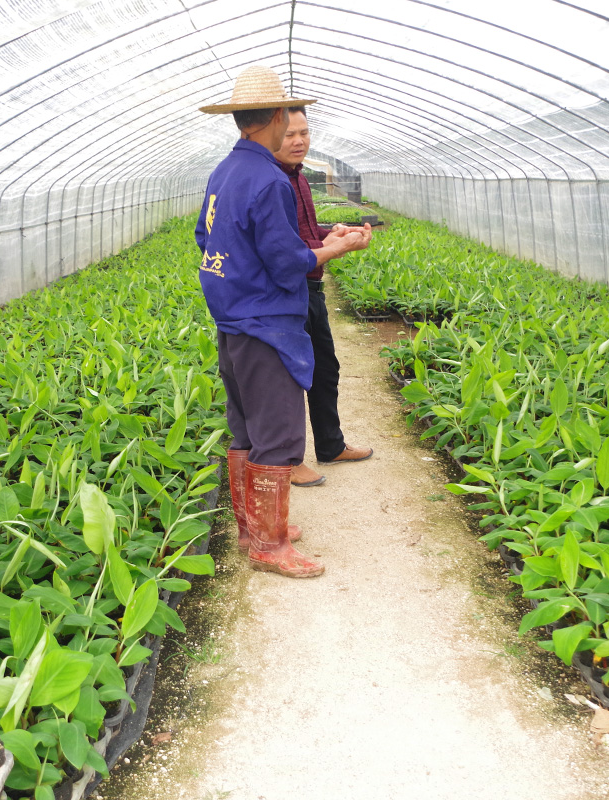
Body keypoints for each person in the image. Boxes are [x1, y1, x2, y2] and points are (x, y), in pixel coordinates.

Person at [195, 65, 370, 578]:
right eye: (289, 123)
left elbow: (206, 242)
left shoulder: (224, 173)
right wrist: (334, 247)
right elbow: (286, 261)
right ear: (274, 117)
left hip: (233, 321)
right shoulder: (268, 180)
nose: (294, 132)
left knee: (245, 427)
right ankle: (269, 547)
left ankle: (255, 528)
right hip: (267, 321)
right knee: (279, 433)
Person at [272, 107, 374, 488]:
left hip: (311, 285)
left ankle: (331, 444)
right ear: (269, 135)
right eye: (289, 134)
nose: (299, 141)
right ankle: (290, 459)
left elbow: (305, 231)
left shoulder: (298, 179)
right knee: (290, 376)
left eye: (304, 132)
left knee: (324, 369)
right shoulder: (273, 183)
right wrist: (335, 247)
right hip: (289, 290)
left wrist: (334, 233)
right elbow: (280, 249)